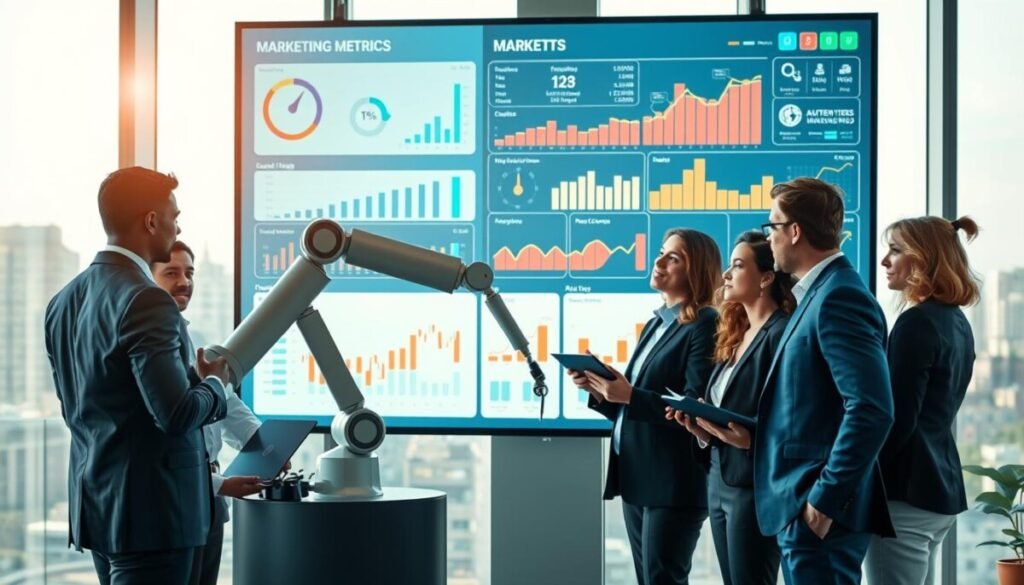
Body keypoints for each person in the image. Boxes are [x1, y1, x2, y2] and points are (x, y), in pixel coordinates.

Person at [44, 167, 231, 585]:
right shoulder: (147, 299)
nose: (177, 226)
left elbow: (78, 407)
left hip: (98, 508)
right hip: (154, 519)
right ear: (150, 221)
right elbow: (178, 413)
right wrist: (215, 383)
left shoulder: (63, 300)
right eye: (174, 216)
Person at [754, 177, 895, 585]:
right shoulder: (816, 295)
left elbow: (872, 409)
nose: (769, 240)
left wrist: (823, 502)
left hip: (818, 514)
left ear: (794, 231)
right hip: (802, 508)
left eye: (772, 227)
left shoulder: (839, 297)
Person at [570, 228, 721, 585]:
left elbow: (692, 404)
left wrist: (630, 395)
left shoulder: (705, 323)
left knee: (662, 579)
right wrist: (602, 389)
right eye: (661, 253)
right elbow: (634, 400)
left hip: (672, 482)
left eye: (674, 257)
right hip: (640, 475)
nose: (659, 262)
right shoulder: (657, 323)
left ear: (696, 270)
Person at [667, 230, 794, 585]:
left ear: (766, 278)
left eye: (738, 265)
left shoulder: (781, 333)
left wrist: (751, 441)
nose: (726, 274)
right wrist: (701, 429)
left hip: (754, 483)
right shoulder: (736, 334)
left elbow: (790, 412)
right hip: (720, 478)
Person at [864, 216, 981, 585]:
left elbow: (896, 420)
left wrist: (855, 480)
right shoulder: (957, 322)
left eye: (895, 251)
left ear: (923, 259)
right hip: (938, 489)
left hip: (904, 497)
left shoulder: (915, 322)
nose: (884, 261)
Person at [151, 240, 263, 585]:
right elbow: (163, 434)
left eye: (189, 273)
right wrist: (219, 484)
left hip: (211, 503)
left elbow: (222, 400)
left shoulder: (191, 336)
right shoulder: (152, 344)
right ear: (148, 277)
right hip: (179, 497)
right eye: (171, 273)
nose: (184, 281)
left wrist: (263, 444)